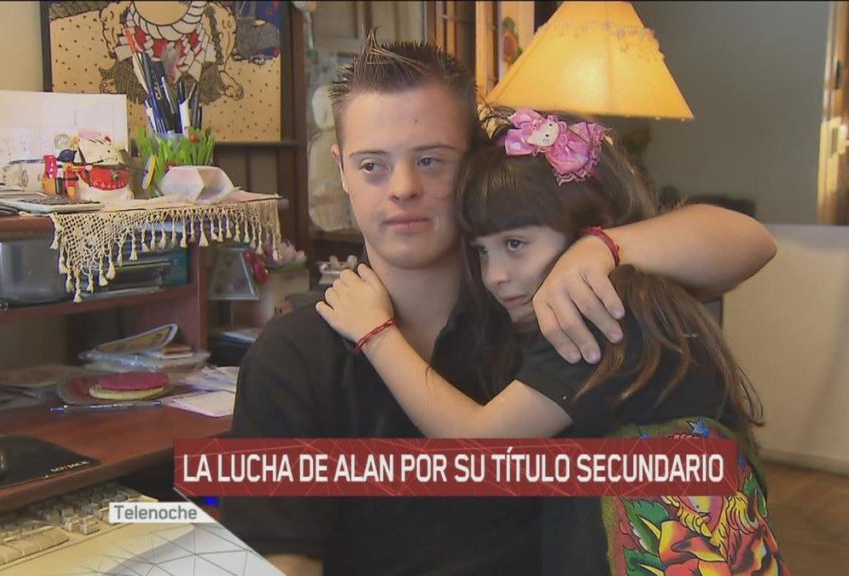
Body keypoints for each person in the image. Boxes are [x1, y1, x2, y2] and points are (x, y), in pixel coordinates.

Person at [223, 33, 777, 576]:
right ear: (342, 169)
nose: (403, 187)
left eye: (431, 160)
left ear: (475, 164)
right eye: (373, 165)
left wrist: (601, 248)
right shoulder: (294, 356)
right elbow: (282, 557)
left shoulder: (547, 306)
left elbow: (749, 243)